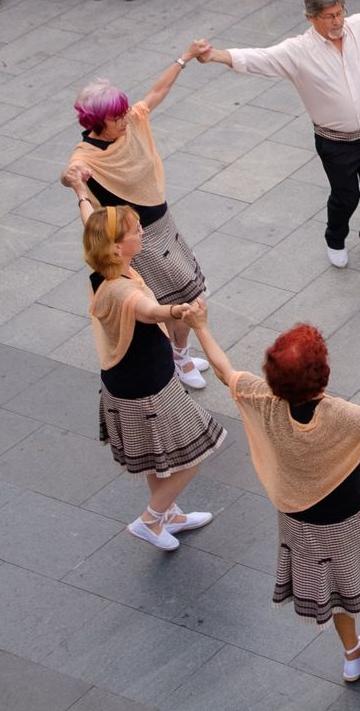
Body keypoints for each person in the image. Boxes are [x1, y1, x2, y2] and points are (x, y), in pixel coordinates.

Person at [181, 311, 360, 683]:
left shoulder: (262, 399)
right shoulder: (340, 415)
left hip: (300, 524)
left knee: (335, 588)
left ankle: (352, 655)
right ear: (321, 374)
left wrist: (200, 326)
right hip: (352, 517)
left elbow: (222, 370)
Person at [190, 0, 360, 268]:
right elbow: (258, 58)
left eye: (339, 13)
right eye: (329, 16)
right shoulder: (297, 51)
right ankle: (335, 239)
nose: (337, 21)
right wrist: (214, 54)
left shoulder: (359, 27)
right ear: (311, 18)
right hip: (336, 140)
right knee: (345, 196)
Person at [61, 58, 213, 390]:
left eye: (124, 113)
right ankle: (180, 358)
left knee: (185, 296)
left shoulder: (128, 125)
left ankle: (178, 353)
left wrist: (184, 59)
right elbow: (71, 172)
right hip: (138, 239)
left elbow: (158, 91)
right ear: (97, 121)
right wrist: (72, 179)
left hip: (164, 225)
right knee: (180, 302)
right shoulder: (87, 156)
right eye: (116, 118)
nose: (125, 121)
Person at [79, 204, 221, 551]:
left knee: (158, 459)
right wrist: (178, 310)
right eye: (135, 231)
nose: (142, 231)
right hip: (147, 390)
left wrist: (82, 191)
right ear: (116, 247)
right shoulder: (122, 291)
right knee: (196, 452)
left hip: (133, 383)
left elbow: (90, 220)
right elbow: (149, 310)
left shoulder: (106, 268)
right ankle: (150, 520)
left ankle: (167, 514)